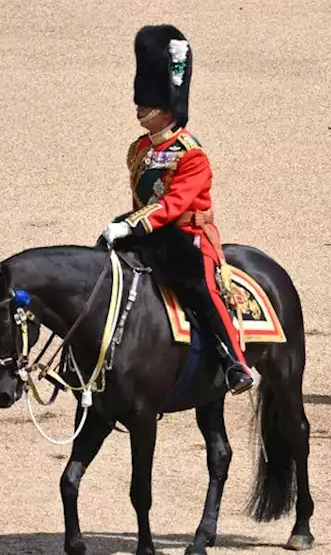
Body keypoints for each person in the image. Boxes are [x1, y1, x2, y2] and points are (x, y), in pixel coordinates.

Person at [101, 24, 254, 393]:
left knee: (200, 287)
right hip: (151, 232)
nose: (138, 105)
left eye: (146, 100)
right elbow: (142, 201)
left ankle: (235, 362)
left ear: (167, 107)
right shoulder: (140, 149)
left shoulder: (191, 154)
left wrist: (133, 227)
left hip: (186, 235)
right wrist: (125, 226)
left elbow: (172, 205)